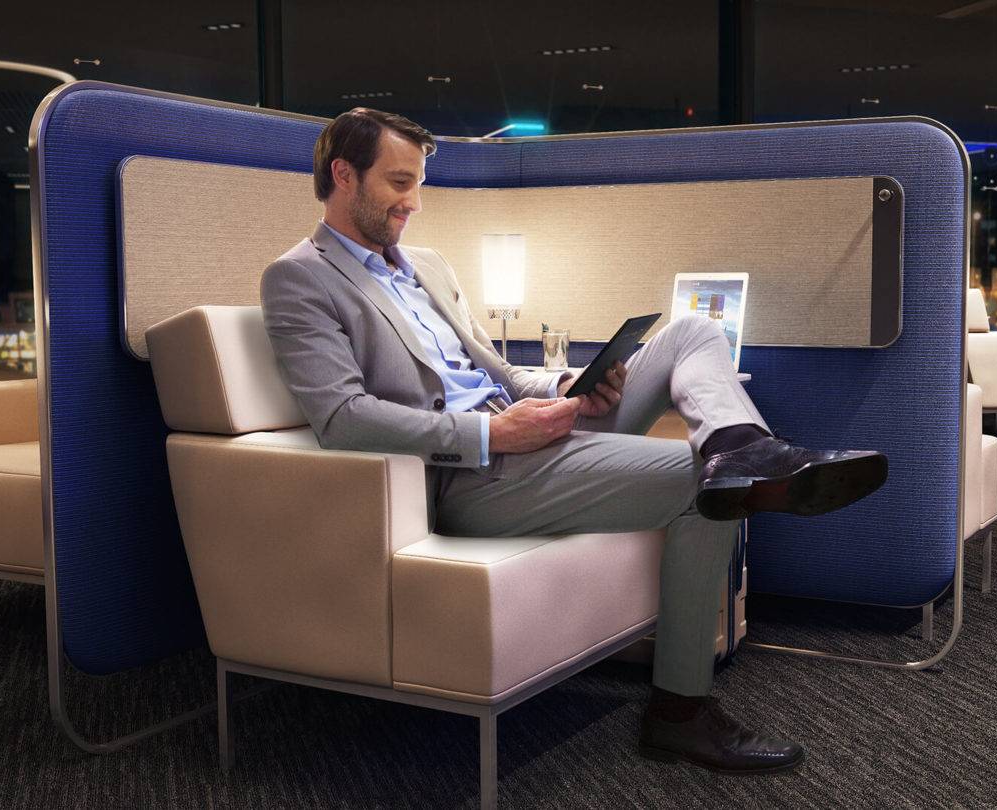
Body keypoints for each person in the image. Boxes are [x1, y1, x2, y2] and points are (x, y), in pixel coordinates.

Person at [261, 108, 888, 775]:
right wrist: (491, 432)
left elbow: (494, 371)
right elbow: (344, 417)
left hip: (528, 429)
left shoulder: (426, 266)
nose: (413, 202)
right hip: (474, 475)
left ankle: (742, 447)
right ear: (341, 175)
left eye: (418, 183)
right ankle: (678, 714)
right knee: (697, 482)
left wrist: (568, 383)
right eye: (398, 182)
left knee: (690, 334)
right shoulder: (300, 278)